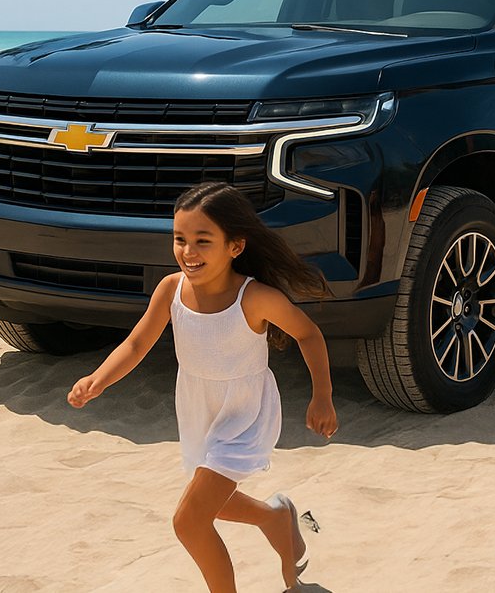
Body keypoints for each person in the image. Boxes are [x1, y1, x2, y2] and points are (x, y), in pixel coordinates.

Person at [68, 181, 337, 593]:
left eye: (202, 241)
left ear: (235, 246)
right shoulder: (171, 289)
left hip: (245, 415)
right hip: (200, 411)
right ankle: (275, 516)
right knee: (218, 505)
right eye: (180, 239)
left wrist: (322, 397)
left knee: (189, 521)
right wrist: (97, 379)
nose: (188, 251)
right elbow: (137, 344)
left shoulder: (254, 297)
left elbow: (309, 334)